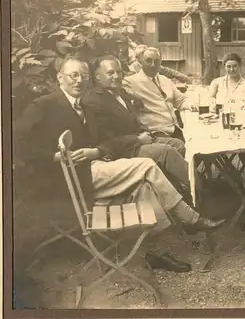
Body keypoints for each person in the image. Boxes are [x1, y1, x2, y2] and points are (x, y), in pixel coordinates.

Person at [14, 55, 225, 273]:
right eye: (73, 75)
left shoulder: (83, 105)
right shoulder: (45, 104)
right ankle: (190, 218)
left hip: (93, 168)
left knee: (144, 186)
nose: (79, 80)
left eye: (83, 76)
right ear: (60, 78)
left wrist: (97, 151)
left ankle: (156, 253)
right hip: (68, 181)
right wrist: (53, 157)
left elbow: (105, 141)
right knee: (145, 166)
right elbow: (13, 140)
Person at [82, 55, 192, 200]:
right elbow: (106, 138)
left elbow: (134, 119)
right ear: (97, 77)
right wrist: (138, 139)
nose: (116, 76)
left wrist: (144, 130)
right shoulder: (94, 100)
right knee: (166, 152)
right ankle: (198, 188)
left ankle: (175, 189)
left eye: (119, 72)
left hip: (139, 140)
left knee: (178, 144)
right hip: (122, 151)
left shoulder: (120, 92)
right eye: (110, 73)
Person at [123, 47, 198, 142]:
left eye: (157, 61)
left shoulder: (165, 80)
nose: (153, 65)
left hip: (174, 130)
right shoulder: (131, 82)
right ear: (141, 62)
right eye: (148, 61)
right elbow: (117, 93)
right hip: (154, 133)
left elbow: (180, 101)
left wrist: (190, 105)